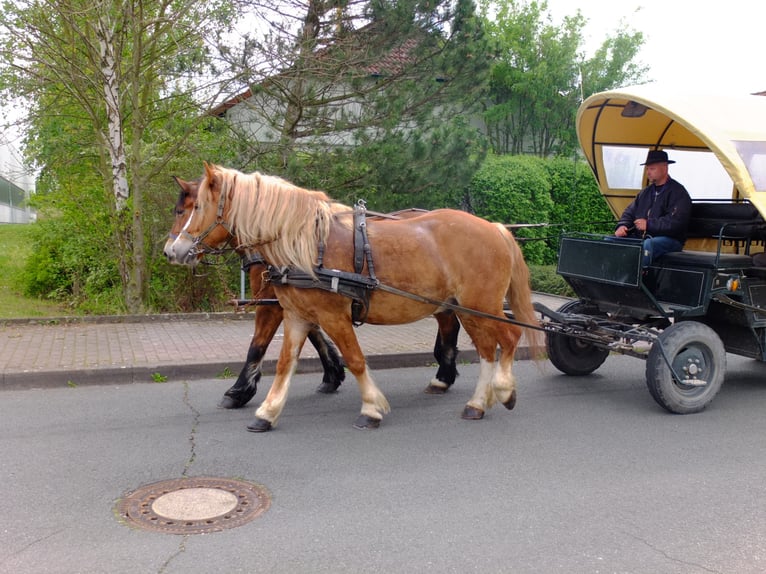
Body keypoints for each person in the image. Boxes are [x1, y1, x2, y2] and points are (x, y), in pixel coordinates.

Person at [614, 149, 692, 266]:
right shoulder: (645, 192)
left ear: (665, 168)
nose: (648, 172)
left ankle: (633, 281)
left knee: (648, 245)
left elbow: (676, 222)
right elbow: (629, 212)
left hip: (670, 239)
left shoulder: (678, 192)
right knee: (610, 241)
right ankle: (608, 279)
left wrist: (649, 224)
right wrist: (622, 225)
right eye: (647, 169)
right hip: (644, 238)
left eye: (652, 168)